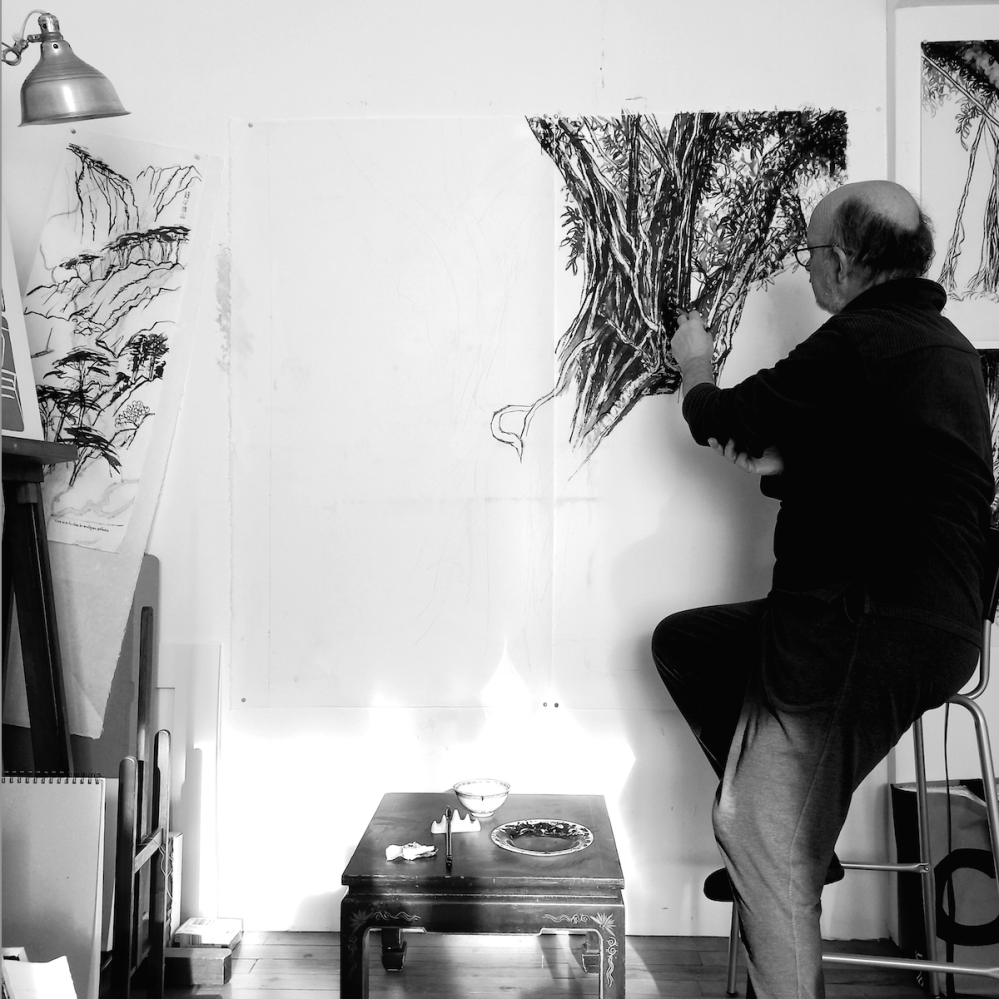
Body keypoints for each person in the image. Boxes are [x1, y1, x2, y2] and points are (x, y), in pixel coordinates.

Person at [652, 180, 994, 999]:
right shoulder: (938, 345)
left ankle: (786, 846)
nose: (803, 269)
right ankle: (806, 841)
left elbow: (725, 416)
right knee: (688, 643)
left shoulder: (861, 340)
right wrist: (786, 462)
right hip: (935, 621)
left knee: (755, 828)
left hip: (861, 619)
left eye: (807, 252)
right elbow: (886, 471)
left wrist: (694, 365)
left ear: (841, 260)